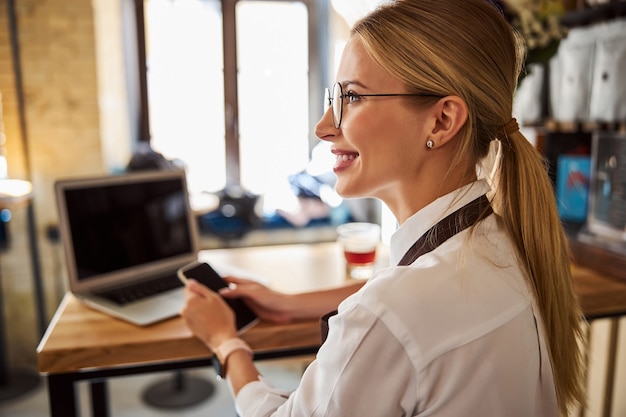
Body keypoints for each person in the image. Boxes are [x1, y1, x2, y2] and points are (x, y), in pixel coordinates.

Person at [181, 0, 587, 415]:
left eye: (352, 97)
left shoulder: (387, 315)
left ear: (442, 121)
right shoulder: (505, 243)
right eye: (334, 97)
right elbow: (412, 293)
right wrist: (293, 304)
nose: (323, 127)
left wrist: (226, 343)